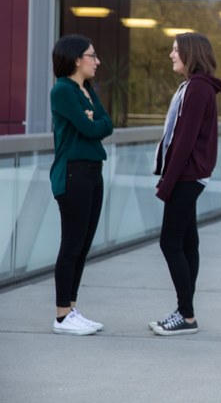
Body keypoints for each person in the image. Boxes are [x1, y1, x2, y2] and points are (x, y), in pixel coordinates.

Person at [150, 32, 221, 336]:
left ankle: (187, 314)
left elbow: (184, 141)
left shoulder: (196, 89)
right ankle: (185, 310)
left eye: (175, 49)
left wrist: (167, 183)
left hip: (187, 175)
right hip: (191, 175)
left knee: (169, 242)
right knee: (187, 242)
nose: (171, 54)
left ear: (190, 53)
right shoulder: (196, 87)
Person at [50, 34, 114, 335]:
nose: (97, 61)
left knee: (83, 245)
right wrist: (92, 122)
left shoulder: (86, 89)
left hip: (93, 171)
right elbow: (89, 127)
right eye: (92, 55)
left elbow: (106, 124)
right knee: (71, 246)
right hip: (73, 173)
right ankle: (62, 315)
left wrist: (93, 121)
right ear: (77, 59)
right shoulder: (63, 90)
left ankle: (72, 309)